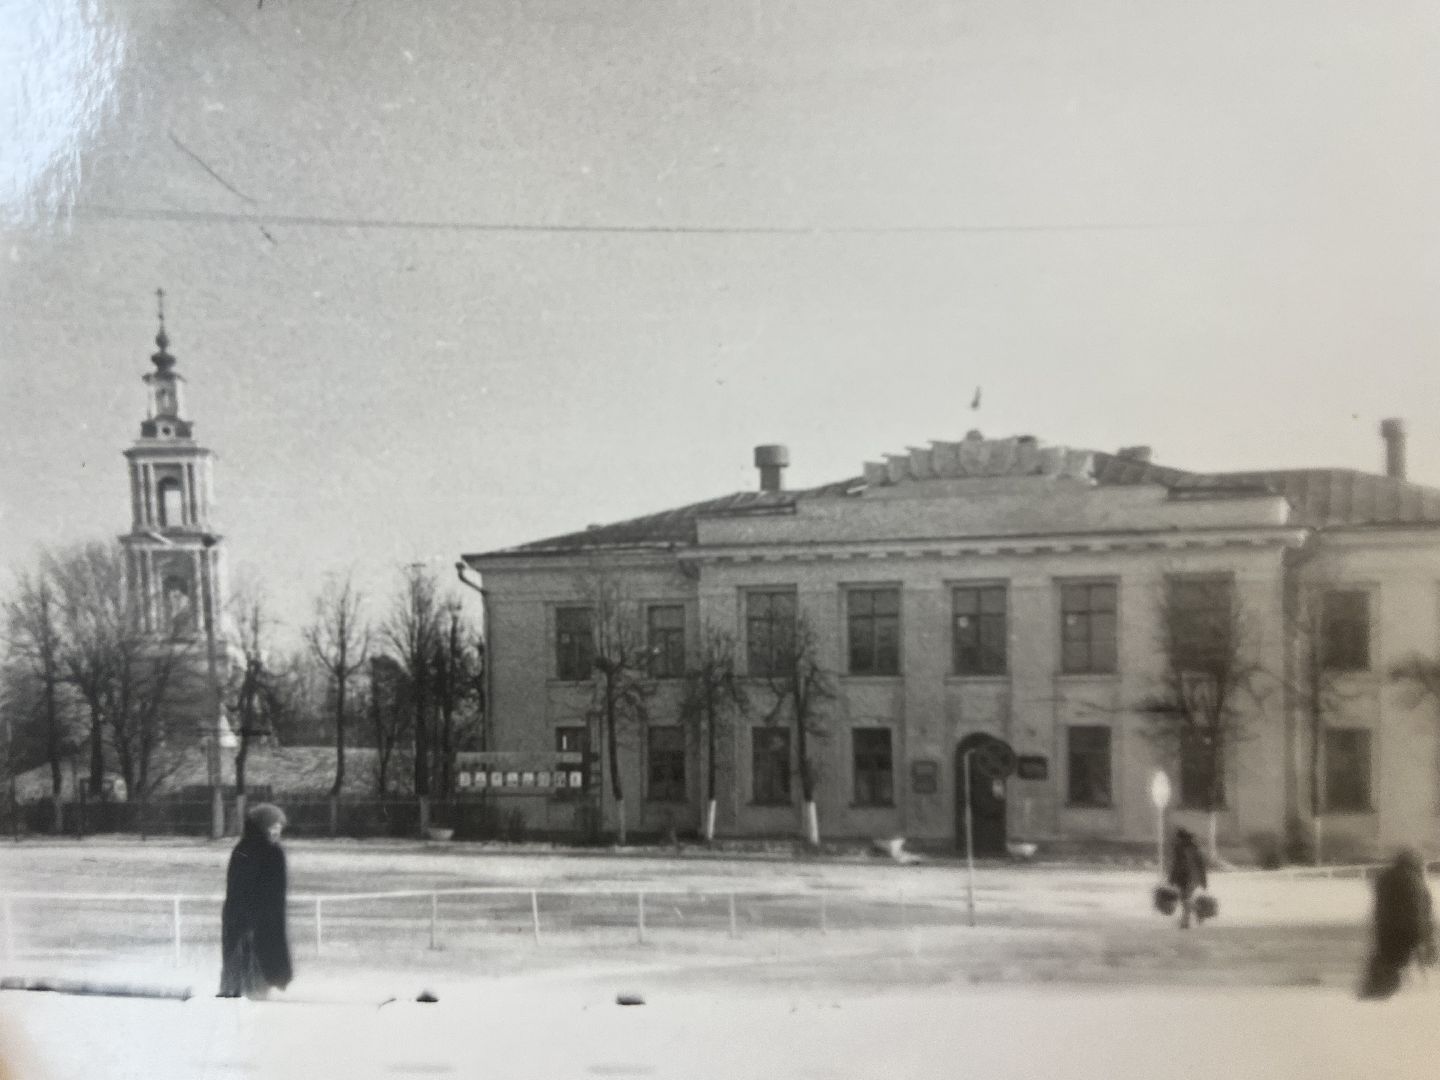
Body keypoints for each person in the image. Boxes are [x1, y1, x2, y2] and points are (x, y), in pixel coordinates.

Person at [218, 803, 293, 1000]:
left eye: (279, 827)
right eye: (273, 826)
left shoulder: (242, 849)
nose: (277, 831)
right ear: (263, 826)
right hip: (258, 924)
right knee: (255, 976)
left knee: (241, 976)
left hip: (242, 922)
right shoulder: (270, 852)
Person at [1359, 848, 1436, 1000]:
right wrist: (1424, 939)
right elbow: (1419, 912)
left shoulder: (1385, 879)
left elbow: (1380, 907)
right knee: (1400, 963)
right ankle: (1388, 993)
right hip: (1408, 931)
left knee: (1387, 961)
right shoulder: (1415, 882)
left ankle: (1376, 991)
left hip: (1386, 930)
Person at [1167, 827, 1208, 929]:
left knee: (1185, 899)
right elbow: (1201, 865)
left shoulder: (1181, 849)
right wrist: (1203, 880)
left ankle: (1188, 920)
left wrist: (1172, 878)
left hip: (1186, 878)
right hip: (1192, 877)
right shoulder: (1194, 848)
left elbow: (1177, 865)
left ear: (1181, 838)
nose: (1176, 839)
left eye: (1177, 838)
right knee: (1185, 899)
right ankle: (1190, 918)